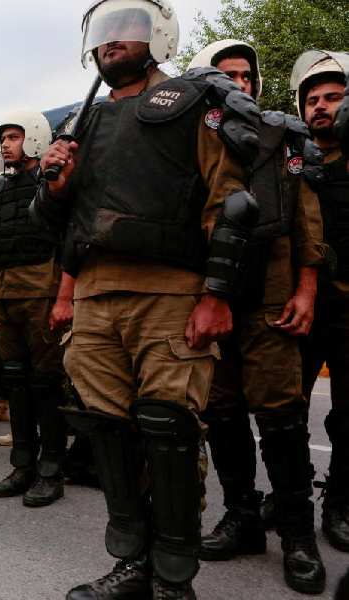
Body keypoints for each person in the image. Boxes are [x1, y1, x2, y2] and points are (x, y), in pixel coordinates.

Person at [33, 0, 262, 597]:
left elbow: (230, 204)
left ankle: (173, 578)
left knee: (169, 433)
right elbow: (52, 225)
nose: (113, 42)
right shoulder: (81, 125)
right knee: (109, 434)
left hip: (168, 292)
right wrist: (54, 186)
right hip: (95, 296)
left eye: (127, 30)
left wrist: (216, 295)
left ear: (156, 35)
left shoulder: (191, 103)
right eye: (104, 34)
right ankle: (132, 563)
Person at [187, 40, 327, 595]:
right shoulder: (191, 136)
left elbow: (306, 219)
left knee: (281, 415)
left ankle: (298, 535)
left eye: (246, 76)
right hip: (208, 293)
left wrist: (307, 287)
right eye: (226, 76)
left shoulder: (284, 136)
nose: (238, 84)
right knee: (221, 412)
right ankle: (242, 518)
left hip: (270, 288)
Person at [0, 110, 71, 507]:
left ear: (34, 138)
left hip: (41, 292)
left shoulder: (50, 184)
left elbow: (69, 240)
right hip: (5, 297)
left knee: (46, 383)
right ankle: (23, 465)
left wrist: (63, 297)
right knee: (14, 383)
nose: (6, 145)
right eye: (4, 138)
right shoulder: (0, 191)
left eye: (14, 137)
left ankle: (51, 469)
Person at [294, 50, 349, 557]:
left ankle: (340, 501)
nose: (321, 107)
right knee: (288, 409)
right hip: (304, 305)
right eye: (312, 99)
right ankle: (292, 502)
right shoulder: (293, 163)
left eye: (333, 97)